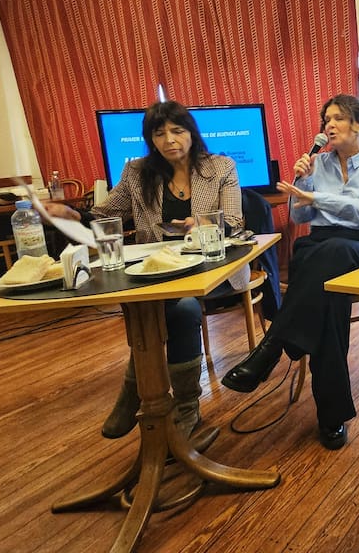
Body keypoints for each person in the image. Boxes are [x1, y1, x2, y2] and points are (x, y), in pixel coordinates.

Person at [46, 100, 242, 439]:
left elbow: (235, 222)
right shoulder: (137, 173)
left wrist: (203, 223)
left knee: (180, 308)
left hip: (211, 268)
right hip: (155, 270)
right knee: (158, 304)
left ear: (191, 133)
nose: (169, 140)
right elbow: (107, 214)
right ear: (150, 139)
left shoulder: (220, 166)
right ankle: (158, 401)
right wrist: (74, 215)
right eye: (159, 133)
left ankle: (158, 400)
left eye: (177, 131)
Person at [221, 94, 359, 450]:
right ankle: (331, 415)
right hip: (320, 248)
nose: (328, 126)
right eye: (326, 120)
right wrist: (306, 185)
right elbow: (300, 219)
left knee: (331, 251)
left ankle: (273, 345)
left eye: (338, 119)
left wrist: (318, 200)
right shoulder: (318, 164)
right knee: (327, 302)